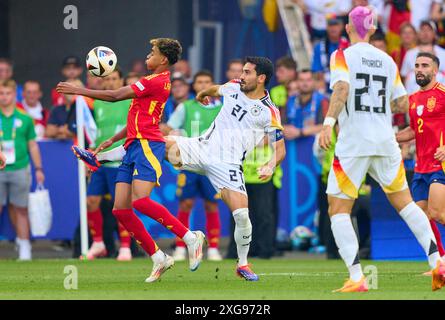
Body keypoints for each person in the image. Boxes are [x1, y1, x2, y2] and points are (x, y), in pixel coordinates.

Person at [72, 56, 286, 281]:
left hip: (228, 164)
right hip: (201, 147)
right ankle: (101, 158)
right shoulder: (234, 87)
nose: (242, 76)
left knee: (242, 215)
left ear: (261, 78)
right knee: (155, 143)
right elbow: (216, 89)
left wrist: (270, 166)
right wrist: (204, 94)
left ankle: (242, 264)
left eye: (247, 73)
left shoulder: (268, 111)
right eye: (242, 71)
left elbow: (280, 149)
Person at [56, 38, 205, 283]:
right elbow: (136, 117)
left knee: (141, 201)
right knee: (120, 210)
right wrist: (112, 139)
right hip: (132, 144)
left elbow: (115, 96)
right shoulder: (151, 82)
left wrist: (79, 90)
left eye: (152, 52)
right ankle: (159, 257)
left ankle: (190, 237)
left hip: (148, 144)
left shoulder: (155, 80)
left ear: (163, 60)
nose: (148, 56)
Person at [319, 6, 445, 292]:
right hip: (385, 140)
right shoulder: (388, 60)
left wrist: (328, 123)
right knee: (405, 204)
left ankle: (356, 277)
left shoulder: (342, 56)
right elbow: (402, 105)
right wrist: (378, 108)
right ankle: (438, 261)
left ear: (350, 28)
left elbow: (341, 90)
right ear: (373, 29)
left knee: (338, 209)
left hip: (354, 142)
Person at [163, 70, 223, 262]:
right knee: (185, 204)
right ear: (194, 86)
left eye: (207, 81)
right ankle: (181, 246)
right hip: (189, 163)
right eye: (200, 82)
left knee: (211, 204)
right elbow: (169, 128)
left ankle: (213, 248)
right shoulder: (185, 107)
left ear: (213, 86)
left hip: (213, 164)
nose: (203, 85)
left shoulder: (223, 108)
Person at [396, 52, 445, 264]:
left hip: (439, 163)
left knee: (437, 212)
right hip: (421, 166)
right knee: (423, 217)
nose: (419, 69)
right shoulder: (413, 99)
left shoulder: (443, 93)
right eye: (416, 65)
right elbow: (415, 130)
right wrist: (390, 138)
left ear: (435, 70)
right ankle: (440, 261)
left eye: (425, 65)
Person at [84, 68, 133, 261]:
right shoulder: (96, 104)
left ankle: (126, 247)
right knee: (91, 202)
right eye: (108, 79)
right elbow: (91, 132)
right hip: (100, 161)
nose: (111, 82)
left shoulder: (130, 101)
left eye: (115, 79)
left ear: (122, 81)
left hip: (121, 161)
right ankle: (97, 243)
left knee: (121, 206)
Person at [0, 80, 45, 260]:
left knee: (21, 209)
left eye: (7, 93)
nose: (4, 97)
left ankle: (24, 247)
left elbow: (32, 145)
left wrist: (39, 168)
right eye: (1, 93)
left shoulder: (25, 118)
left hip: (20, 167)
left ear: (14, 95)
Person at [283, 69, 328, 140]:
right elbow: (281, 124)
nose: (305, 83)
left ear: (314, 81)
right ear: (297, 82)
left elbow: (326, 126)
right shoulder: (290, 100)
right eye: (301, 80)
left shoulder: (322, 100)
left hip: (315, 147)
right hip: (292, 147)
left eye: (308, 80)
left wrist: (301, 132)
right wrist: (285, 129)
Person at [311, 14, 349, 94]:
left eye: (336, 25)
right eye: (330, 25)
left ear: (342, 26)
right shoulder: (319, 47)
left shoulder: (349, 45)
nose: (333, 28)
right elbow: (316, 72)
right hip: (326, 86)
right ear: (327, 27)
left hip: (346, 84)